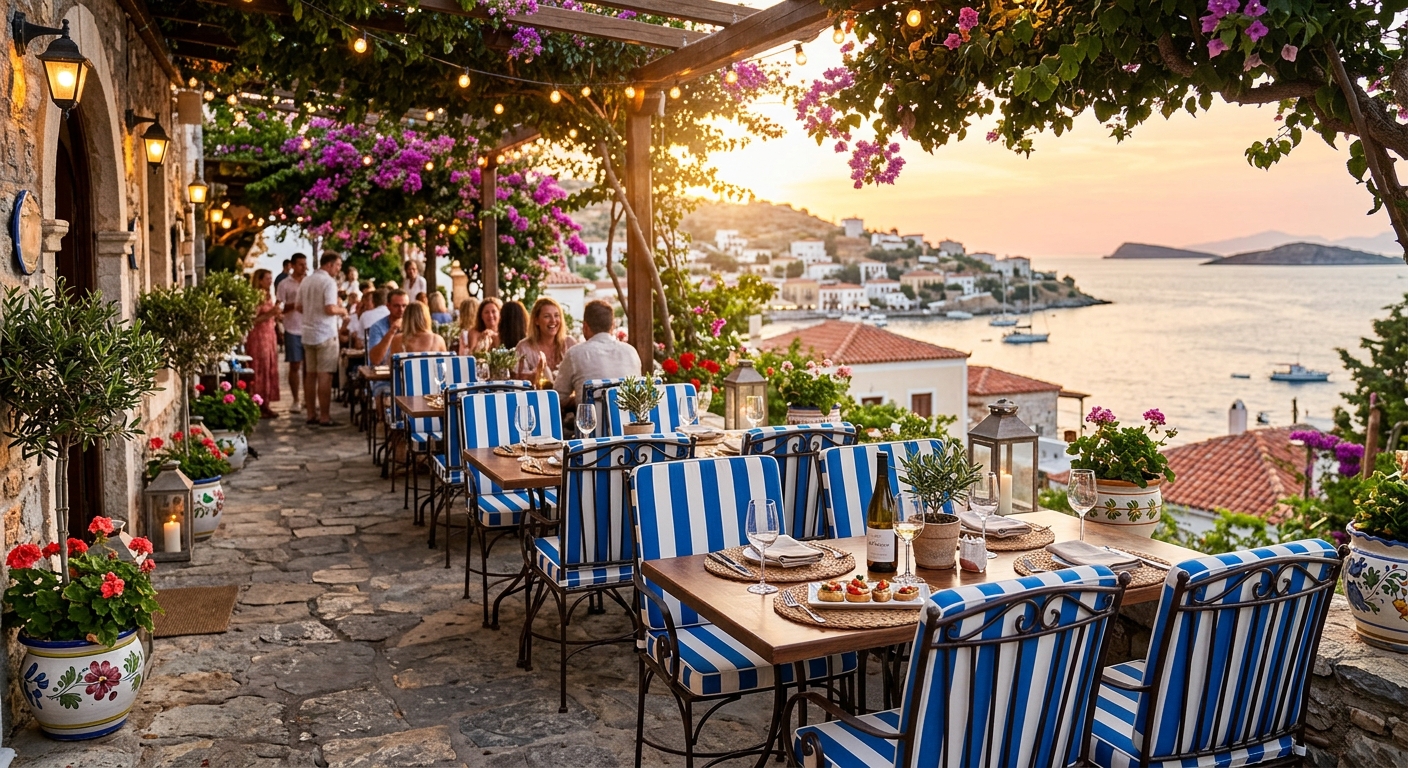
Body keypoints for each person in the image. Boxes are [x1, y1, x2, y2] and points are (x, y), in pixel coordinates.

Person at [555, 300, 641, 407]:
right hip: (628, 422)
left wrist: (579, 398)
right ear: (612, 326)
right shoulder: (631, 352)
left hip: (591, 423)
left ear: (585, 326)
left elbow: (557, 398)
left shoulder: (575, 354)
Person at [299, 252, 348, 426]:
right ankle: (325, 416)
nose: (339, 269)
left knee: (310, 375)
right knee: (325, 376)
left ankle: (311, 414)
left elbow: (298, 306)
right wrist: (342, 311)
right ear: (329, 265)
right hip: (325, 334)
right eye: (338, 265)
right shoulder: (328, 282)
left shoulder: (306, 281)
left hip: (307, 332)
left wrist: (312, 313)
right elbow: (329, 308)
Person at [245, 269, 282, 418]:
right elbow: (252, 319)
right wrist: (270, 313)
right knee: (260, 369)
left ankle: (265, 403)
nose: (270, 282)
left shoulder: (268, 296)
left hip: (269, 336)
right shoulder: (256, 297)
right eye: (267, 279)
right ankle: (258, 404)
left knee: (268, 368)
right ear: (259, 280)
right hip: (259, 337)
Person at [275, 253, 308, 412]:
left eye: (305, 264)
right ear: (293, 265)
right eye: (301, 264)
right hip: (292, 328)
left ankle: (308, 398)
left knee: (310, 367)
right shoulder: (284, 284)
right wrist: (294, 305)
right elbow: (279, 307)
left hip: (309, 328)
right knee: (295, 364)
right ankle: (296, 399)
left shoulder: (309, 282)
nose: (304, 267)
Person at [515, 297, 576, 382]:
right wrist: (537, 373)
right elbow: (519, 379)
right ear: (536, 320)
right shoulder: (524, 347)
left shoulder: (569, 343)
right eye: (547, 316)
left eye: (556, 315)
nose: (553, 320)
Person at [366, 289, 410, 366]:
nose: (401, 310)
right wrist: (392, 331)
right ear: (388, 306)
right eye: (396, 306)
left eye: (404, 306)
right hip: (384, 376)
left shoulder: (413, 325)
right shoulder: (377, 327)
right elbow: (376, 360)